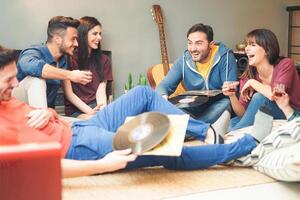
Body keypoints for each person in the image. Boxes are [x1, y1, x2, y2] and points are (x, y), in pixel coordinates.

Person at [1, 45, 267, 178]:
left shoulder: (8, 99)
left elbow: (45, 120)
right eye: (9, 80)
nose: (16, 84)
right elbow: (42, 169)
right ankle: (240, 147)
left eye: (15, 78)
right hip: (80, 147)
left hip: (80, 127)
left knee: (141, 93)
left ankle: (204, 130)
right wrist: (99, 166)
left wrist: (51, 114)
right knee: (166, 147)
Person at [156, 23, 237, 123]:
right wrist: (162, 96)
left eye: (198, 43)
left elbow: (230, 92)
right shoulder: (184, 60)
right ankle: (194, 127)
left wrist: (229, 88)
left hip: (220, 102)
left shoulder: (226, 57)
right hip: (196, 103)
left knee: (226, 104)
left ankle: (192, 127)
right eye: (190, 43)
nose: (193, 48)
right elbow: (164, 85)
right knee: (170, 110)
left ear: (211, 45)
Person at [222, 29, 300, 131]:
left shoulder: (285, 64)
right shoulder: (249, 73)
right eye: (247, 44)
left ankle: (231, 138)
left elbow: (275, 95)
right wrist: (232, 95)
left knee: (259, 97)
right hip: (265, 113)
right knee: (231, 123)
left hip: (291, 112)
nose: (246, 48)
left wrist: (253, 83)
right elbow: (244, 114)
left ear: (267, 49)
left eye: (252, 45)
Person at [13, 16, 93, 109]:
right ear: (58, 39)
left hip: (46, 112)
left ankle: (45, 119)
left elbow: (69, 93)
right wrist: (70, 74)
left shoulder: (63, 60)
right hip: (17, 109)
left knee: (78, 122)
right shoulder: (33, 51)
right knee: (37, 80)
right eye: (73, 39)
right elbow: (31, 66)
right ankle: (43, 121)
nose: (76, 44)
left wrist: (92, 113)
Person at [63, 16, 113, 120]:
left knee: (110, 120)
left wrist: (102, 109)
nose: (99, 38)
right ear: (83, 35)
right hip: (76, 110)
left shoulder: (104, 60)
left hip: (96, 106)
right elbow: (69, 94)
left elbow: (101, 90)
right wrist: (91, 112)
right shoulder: (68, 58)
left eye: (100, 34)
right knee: (95, 122)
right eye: (95, 33)